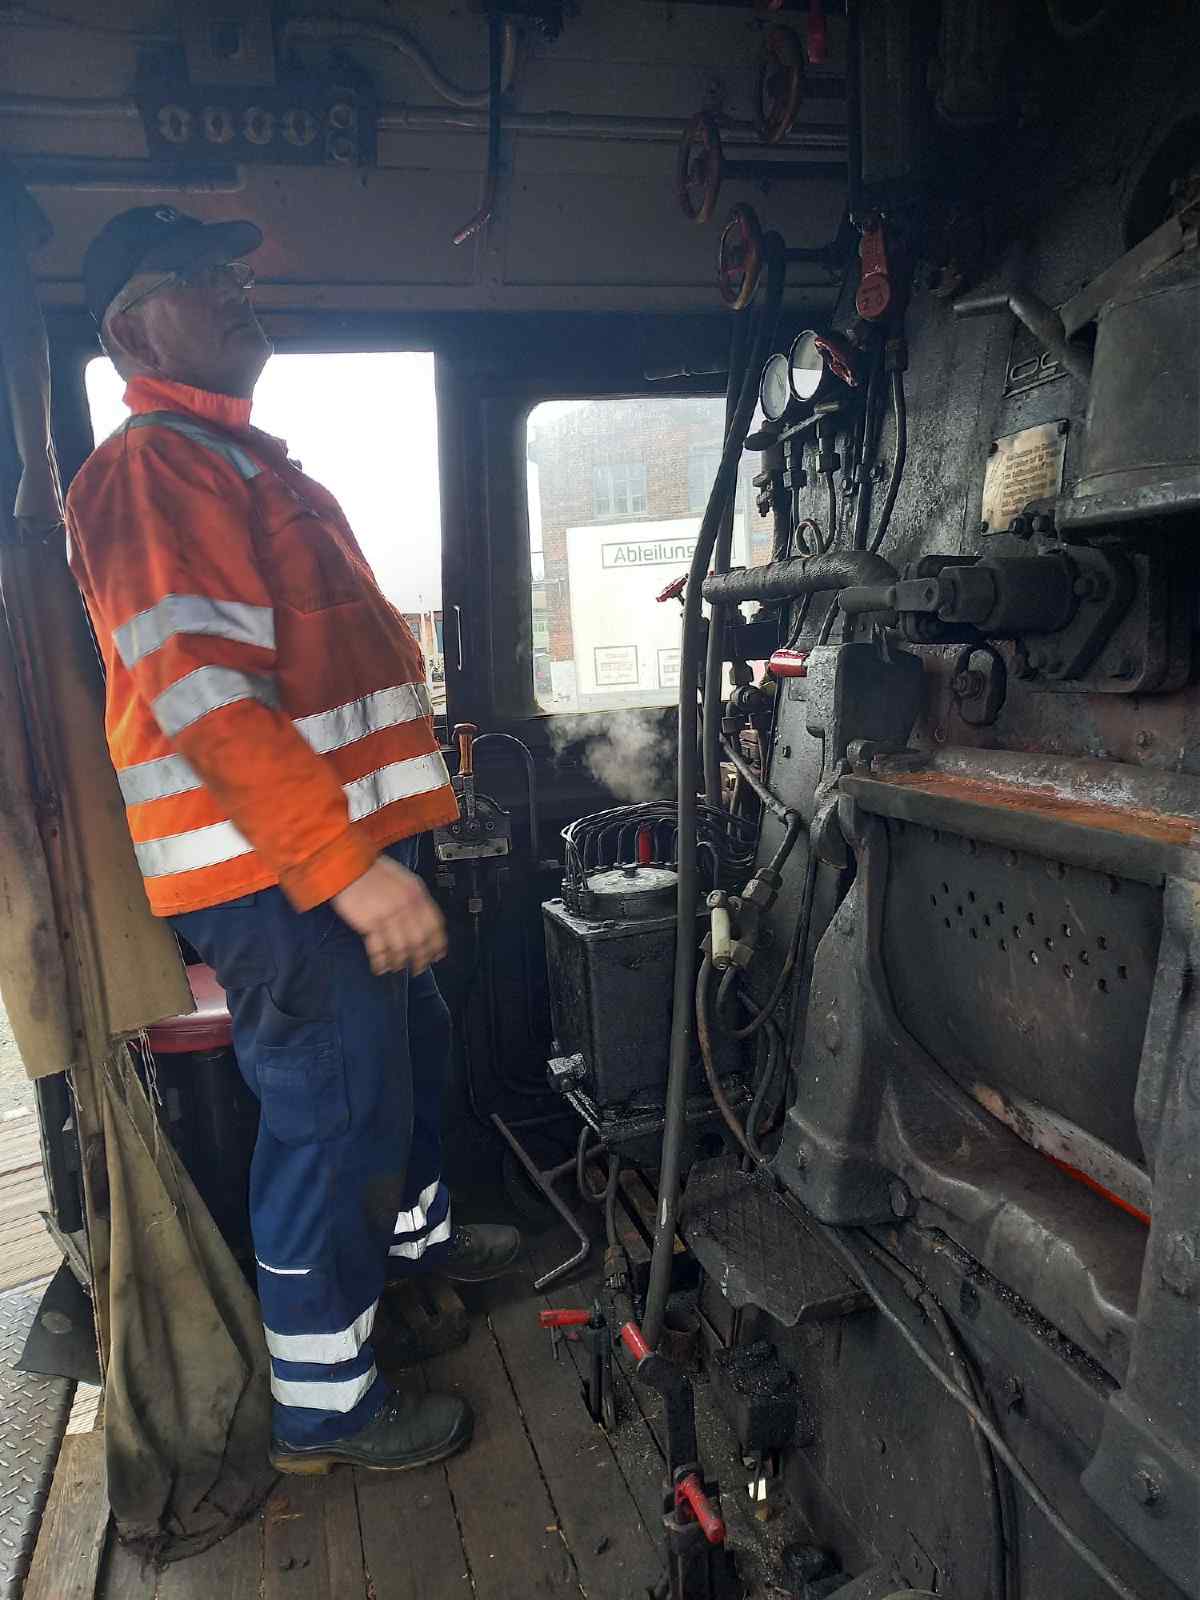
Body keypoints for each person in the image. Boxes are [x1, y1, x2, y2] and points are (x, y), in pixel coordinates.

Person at [65, 206, 521, 1476]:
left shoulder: (242, 461)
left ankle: (412, 1254)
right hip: (276, 871)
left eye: (233, 270)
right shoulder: (152, 470)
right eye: (199, 277)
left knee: (406, 1059)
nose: (235, 289)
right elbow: (209, 698)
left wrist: (376, 852)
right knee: (330, 1113)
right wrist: (346, 870)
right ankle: (324, 1407)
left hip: (339, 854)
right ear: (129, 331)